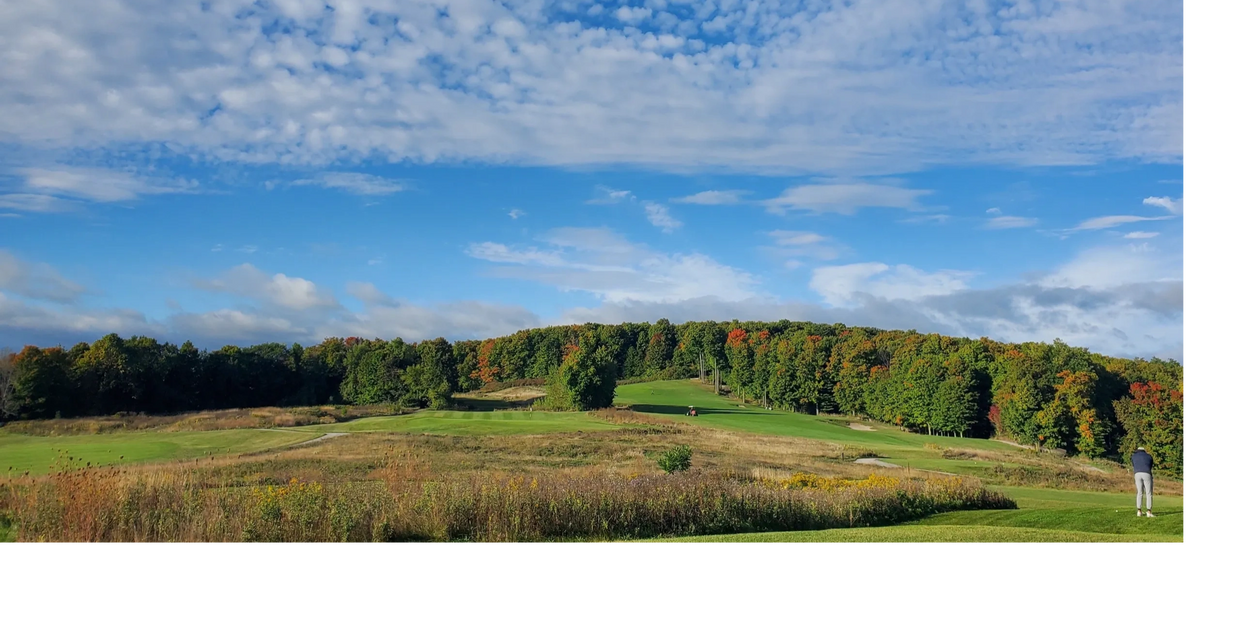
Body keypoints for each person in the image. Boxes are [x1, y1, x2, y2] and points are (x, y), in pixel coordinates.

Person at [1132, 447, 1155, 518]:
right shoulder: (1149, 456)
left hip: (1137, 474)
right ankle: (1149, 512)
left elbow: (1134, 465)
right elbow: (1150, 465)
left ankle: (1139, 511)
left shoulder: (1133, 456)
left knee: (1139, 492)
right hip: (1147, 473)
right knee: (1148, 493)